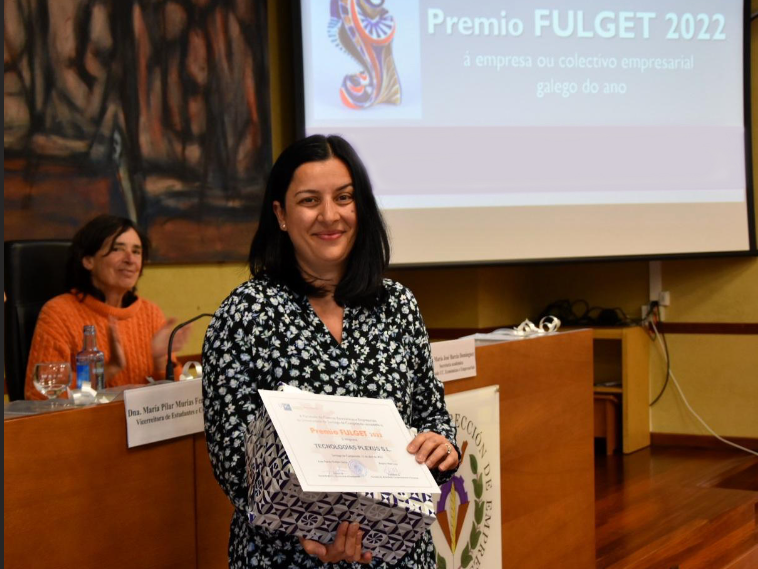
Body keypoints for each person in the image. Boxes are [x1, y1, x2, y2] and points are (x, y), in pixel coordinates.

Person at [202, 134, 460, 568]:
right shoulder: (244, 314)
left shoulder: (397, 305)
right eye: (309, 200)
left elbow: (432, 416)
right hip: (286, 556)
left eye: (344, 197)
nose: (329, 215)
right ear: (281, 215)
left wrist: (442, 447)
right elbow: (234, 459)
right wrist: (312, 527)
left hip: (395, 553)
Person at [24, 215, 190, 399]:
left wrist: (160, 361)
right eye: (117, 249)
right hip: (88, 426)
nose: (130, 259)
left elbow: (176, 400)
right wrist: (109, 370)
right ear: (88, 260)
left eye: (137, 252)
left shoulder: (150, 313)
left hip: (145, 425)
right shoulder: (58, 313)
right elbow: (40, 397)